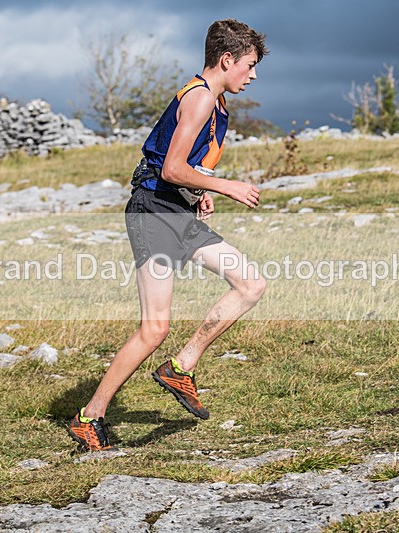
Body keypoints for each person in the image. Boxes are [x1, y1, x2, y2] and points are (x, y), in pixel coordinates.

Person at [68, 19, 269, 451]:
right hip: (153, 212)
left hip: (176, 210)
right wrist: (227, 186)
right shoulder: (198, 99)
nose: (252, 76)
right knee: (154, 328)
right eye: (249, 66)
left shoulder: (218, 106)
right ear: (226, 59)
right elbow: (170, 168)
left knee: (251, 283)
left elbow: (186, 171)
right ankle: (90, 416)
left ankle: (182, 365)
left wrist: (199, 191)